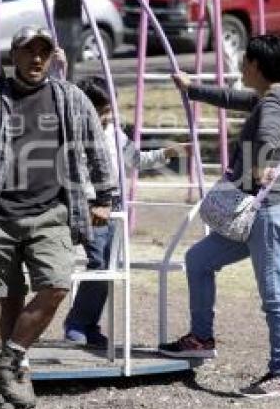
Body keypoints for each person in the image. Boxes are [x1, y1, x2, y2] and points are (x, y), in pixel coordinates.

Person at [0, 26, 115, 409]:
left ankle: (6, 359)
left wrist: (104, 196)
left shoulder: (70, 97)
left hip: (51, 212)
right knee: (10, 296)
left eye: (44, 51)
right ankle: (15, 371)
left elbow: (96, 147)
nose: (37, 59)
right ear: (14, 56)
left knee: (57, 284)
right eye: (29, 51)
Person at [160, 34, 280, 399]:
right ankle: (201, 338)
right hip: (258, 215)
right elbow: (233, 99)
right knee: (198, 260)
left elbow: (267, 135)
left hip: (271, 213)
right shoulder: (270, 97)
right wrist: (193, 89)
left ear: (255, 66)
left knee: (274, 296)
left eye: (243, 61)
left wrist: (259, 166)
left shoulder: (273, 105)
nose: (240, 67)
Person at [64, 75, 189, 348]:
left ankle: (88, 323)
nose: (107, 117)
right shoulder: (74, 133)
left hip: (115, 205)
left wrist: (167, 153)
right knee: (98, 263)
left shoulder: (116, 134)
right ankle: (76, 322)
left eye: (110, 110)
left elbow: (136, 159)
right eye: (102, 111)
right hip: (91, 205)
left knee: (111, 265)